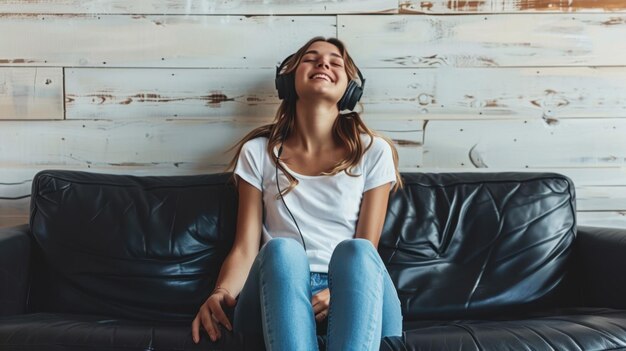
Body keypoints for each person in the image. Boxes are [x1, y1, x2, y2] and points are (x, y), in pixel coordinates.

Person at [191, 36, 404, 351]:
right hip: (279, 287)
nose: (323, 64)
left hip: (352, 289)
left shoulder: (373, 151)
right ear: (288, 80)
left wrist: (338, 292)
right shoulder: (259, 152)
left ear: (350, 88)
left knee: (357, 252)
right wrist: (220, 292)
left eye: (336, 61)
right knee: (282, 251)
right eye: (311, 58)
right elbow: (246, 248)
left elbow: (367, 252)